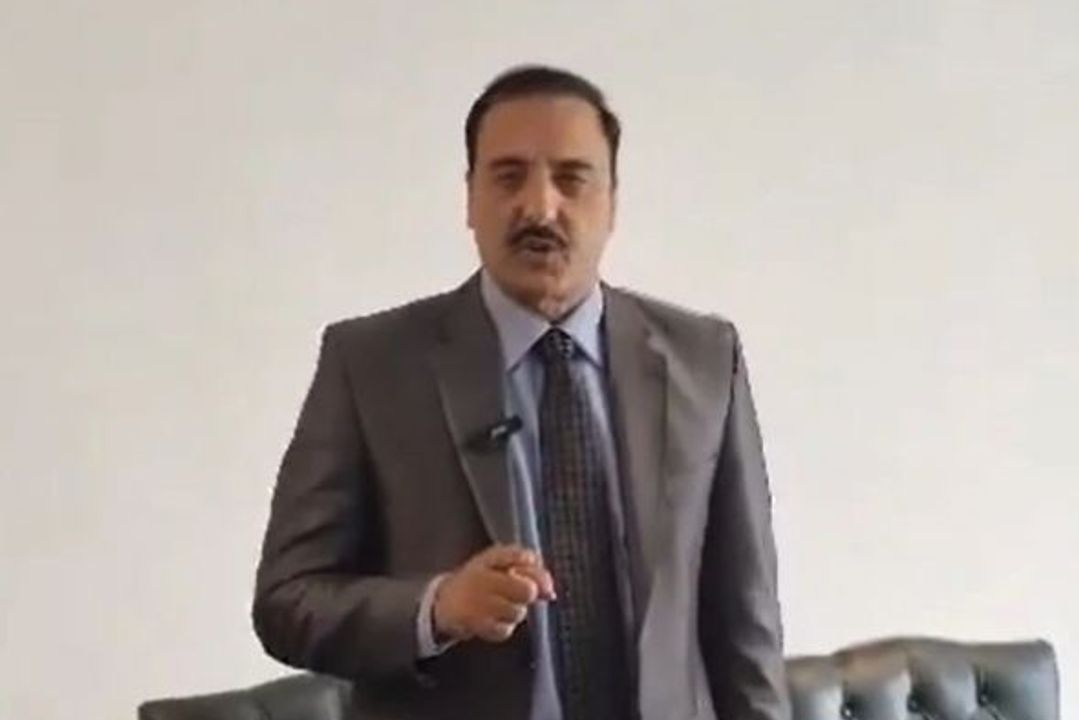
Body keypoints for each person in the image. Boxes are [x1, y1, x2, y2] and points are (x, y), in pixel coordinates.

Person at [252, 64, 789, 720]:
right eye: (508, 177)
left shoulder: (703, 358)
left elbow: (745, 618)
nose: (539, 208)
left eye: (571, 178)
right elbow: (287, 601)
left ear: (612, 201)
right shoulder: (371, 364)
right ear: (469, 199)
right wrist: (435, 608)